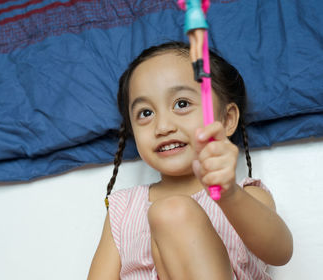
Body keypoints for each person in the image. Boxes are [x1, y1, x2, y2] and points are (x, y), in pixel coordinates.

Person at [87, 41, 293, 280]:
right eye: (145, 113)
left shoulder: (247, 196)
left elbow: (281, 253)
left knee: (173, 212)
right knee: (168, 212)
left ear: (227, 119)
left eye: (182, 104)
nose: (163, 127)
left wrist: (229, 195)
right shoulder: (123, 209)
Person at [177, 0, 211, 82]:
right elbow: (206, 4)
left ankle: (196, 72)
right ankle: (201, 70)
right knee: (199, 43)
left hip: (188, 18)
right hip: (197, 15)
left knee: (193, 45)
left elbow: (181, 5)